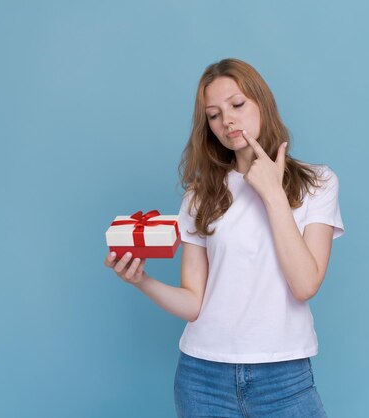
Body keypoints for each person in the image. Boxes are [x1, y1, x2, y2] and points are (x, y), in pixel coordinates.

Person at [104, 58, 344, 417]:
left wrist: (273, 195)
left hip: (283, 376)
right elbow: (194, 303)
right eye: (213, 115)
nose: (227, 120)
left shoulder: (317, 183)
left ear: (262, 102)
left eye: (237, 105)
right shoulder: (200, 195)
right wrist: (142, 281)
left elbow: (305, 284)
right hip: (202, 377)